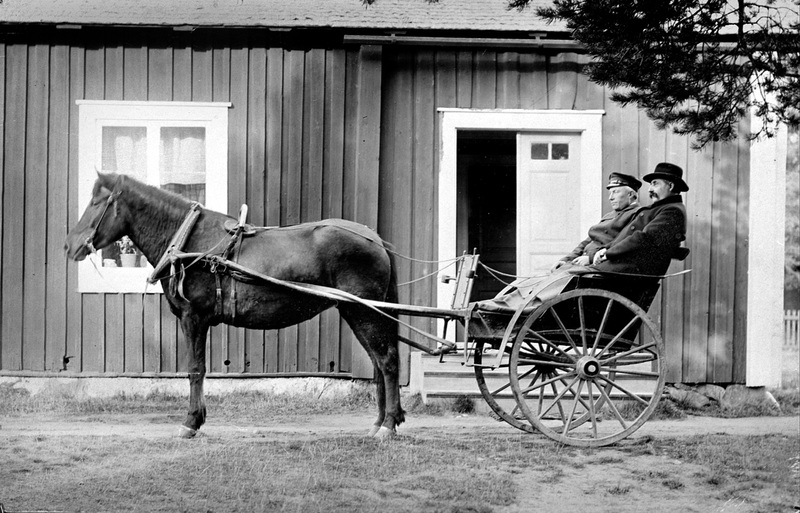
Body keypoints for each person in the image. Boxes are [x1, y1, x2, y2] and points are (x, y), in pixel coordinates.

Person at [592, 162, 688, 276]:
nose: (649, 189)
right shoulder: (660, 208)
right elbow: (625, 235)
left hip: (630, 271)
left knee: (572, 276)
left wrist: (608, 253)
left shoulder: (673, 211)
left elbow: (644, 238)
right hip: (620, 266)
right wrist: (605, 249)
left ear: (670, 186)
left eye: (655, 184)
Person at [551, 172, 642, 271]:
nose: (610, 197)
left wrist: (590, 258)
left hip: (602, 267)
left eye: (615, 192)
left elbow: (621, 245)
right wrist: (566, 260)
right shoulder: (609, 216)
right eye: (610, 193)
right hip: (584, 263)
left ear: (630, 194)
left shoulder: (637, 215)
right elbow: (587, 241)